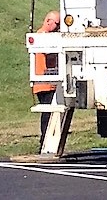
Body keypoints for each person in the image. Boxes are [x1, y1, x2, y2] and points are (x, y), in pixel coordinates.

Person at [31, 10, 61, 140]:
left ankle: (50, 138)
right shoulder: (42, 35)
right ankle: (45, 140)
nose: (59, 28)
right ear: (48, 21)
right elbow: (49, 52)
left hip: (50, 82)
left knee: (53, 113)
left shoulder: (48, 36)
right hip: (44, 83)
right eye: (57, 24)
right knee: (47, 113)